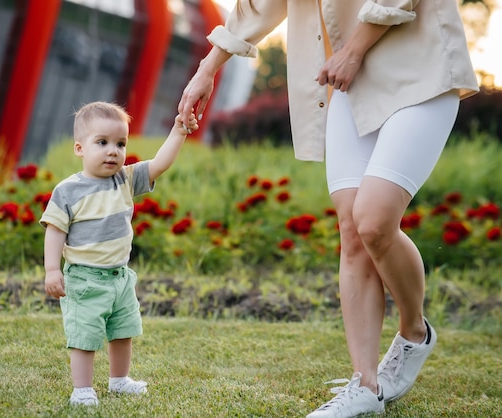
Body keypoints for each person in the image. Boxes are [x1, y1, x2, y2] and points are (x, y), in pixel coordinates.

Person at [178, 1, 478, 417]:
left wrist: (353, 51)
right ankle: (365, 386)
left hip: (418, 69)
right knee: (353, 230)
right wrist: (206, 71)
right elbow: (260, 6)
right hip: (346, 83)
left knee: (373, 221)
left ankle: (414, 331)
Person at [41, 101, 198, 406]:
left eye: (120, 143)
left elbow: (159, 164)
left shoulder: (124, 180)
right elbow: (55, 230)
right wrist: (51, 269)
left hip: (120, 277)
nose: (113, 150)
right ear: (79, 149)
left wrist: (179, 131)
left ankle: (119, 380)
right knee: (84, 336)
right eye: (102, 143)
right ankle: (83, 389)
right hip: (85, 278)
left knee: (122, 330)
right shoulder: (68, 190)